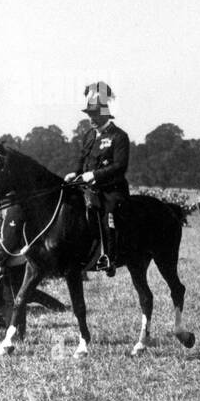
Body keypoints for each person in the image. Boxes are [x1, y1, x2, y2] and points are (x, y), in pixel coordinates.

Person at [64, 82, 129, 275]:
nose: (90, 118)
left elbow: (120, 166)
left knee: (107, 214)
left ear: (105, 114)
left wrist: (94, 175)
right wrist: (74, 174)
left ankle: (108, 257)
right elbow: (82, 159)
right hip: (87, 188)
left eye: (94, 114)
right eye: (89, 114)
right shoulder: (89, 135)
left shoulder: (119, 136)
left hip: (111, 190)